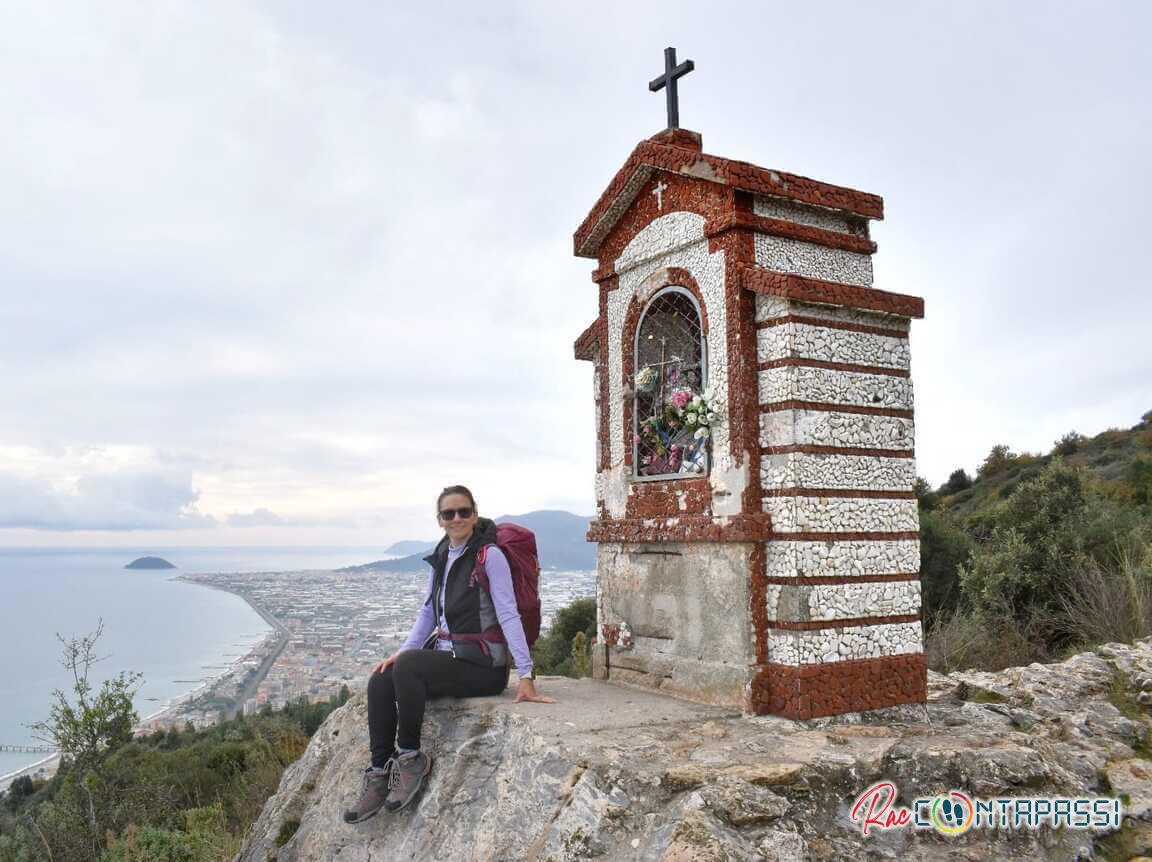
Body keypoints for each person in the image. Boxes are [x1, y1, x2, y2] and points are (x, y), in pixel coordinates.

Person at [343, 485, 554, 823]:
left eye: (463, 512)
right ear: (439, 520)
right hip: (450, 660)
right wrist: (401, 652)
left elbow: (508, 613)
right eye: (448, 513)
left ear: (474, 513)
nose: (456, 519)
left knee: (410, 666)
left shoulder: (489, 556)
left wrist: (526, 676)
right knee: (382, 678)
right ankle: (380, 772)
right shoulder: (442, 555)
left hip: (483, 666)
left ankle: (411, 759)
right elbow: (429, 612)